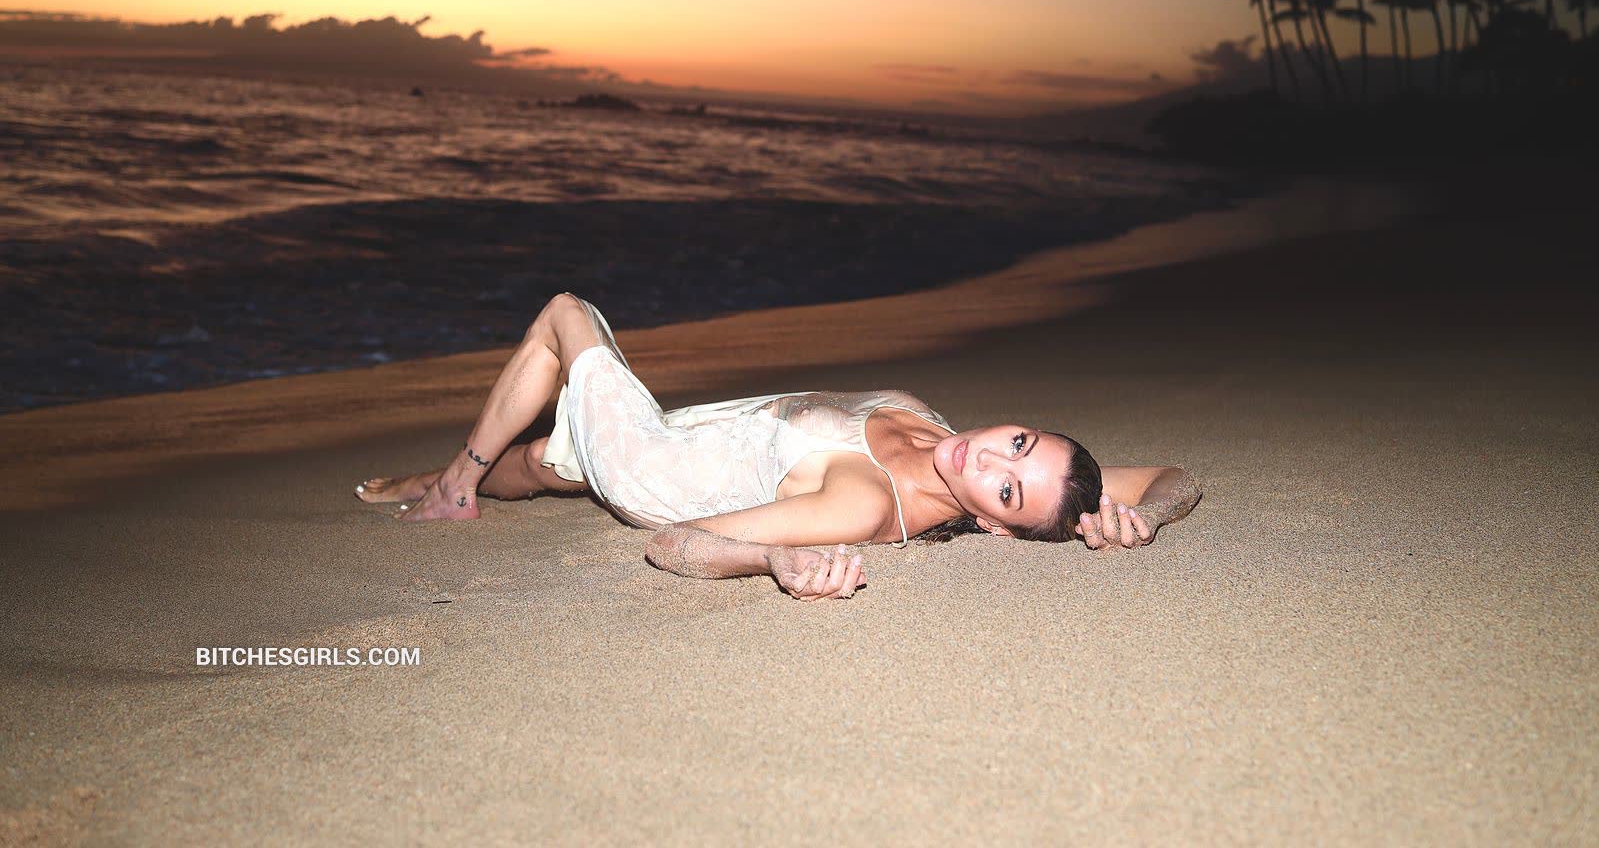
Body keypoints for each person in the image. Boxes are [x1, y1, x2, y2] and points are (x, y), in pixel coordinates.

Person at [357, 293, 1202, 600]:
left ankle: (454, 485)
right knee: (544, 465)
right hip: (696, 428)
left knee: (566, 317)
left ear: (992, 525)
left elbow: (675, 544)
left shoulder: (862, 503)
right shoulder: (947, 438)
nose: (988, 459)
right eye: (1018, 442)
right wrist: (1150, 517)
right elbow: (1176, 477)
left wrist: (768, 562)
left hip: (656, 468)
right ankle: (444, 478)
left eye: (1007, 490)